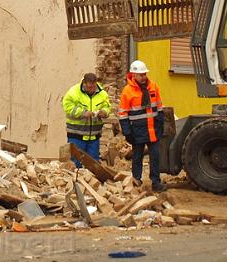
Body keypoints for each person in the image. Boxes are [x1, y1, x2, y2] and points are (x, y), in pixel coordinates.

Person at [118, 60, 166, 192]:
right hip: (137, 131)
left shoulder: (153, 87)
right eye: (140, 75)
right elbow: (123, 113)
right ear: (133, 75)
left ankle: (156, 182)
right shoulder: (127, 91)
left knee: (155, 157)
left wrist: (161, 123)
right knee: (137, 157)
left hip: (153, 129)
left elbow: (159, 107)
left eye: (144, 74)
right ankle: (136, 180)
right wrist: (127, 132)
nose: (143, 77)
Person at [62, 72, 111, 167]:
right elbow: (67, 107)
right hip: (76, 135)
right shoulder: (73, 92)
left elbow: (107, 106)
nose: (92, 90)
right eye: (89, 88)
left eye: (94, 87)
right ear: (84, 83)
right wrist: (82, 113)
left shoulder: (102, 93)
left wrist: (104, 112)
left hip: (94, 137)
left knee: (94, 165)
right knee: (76, 164)